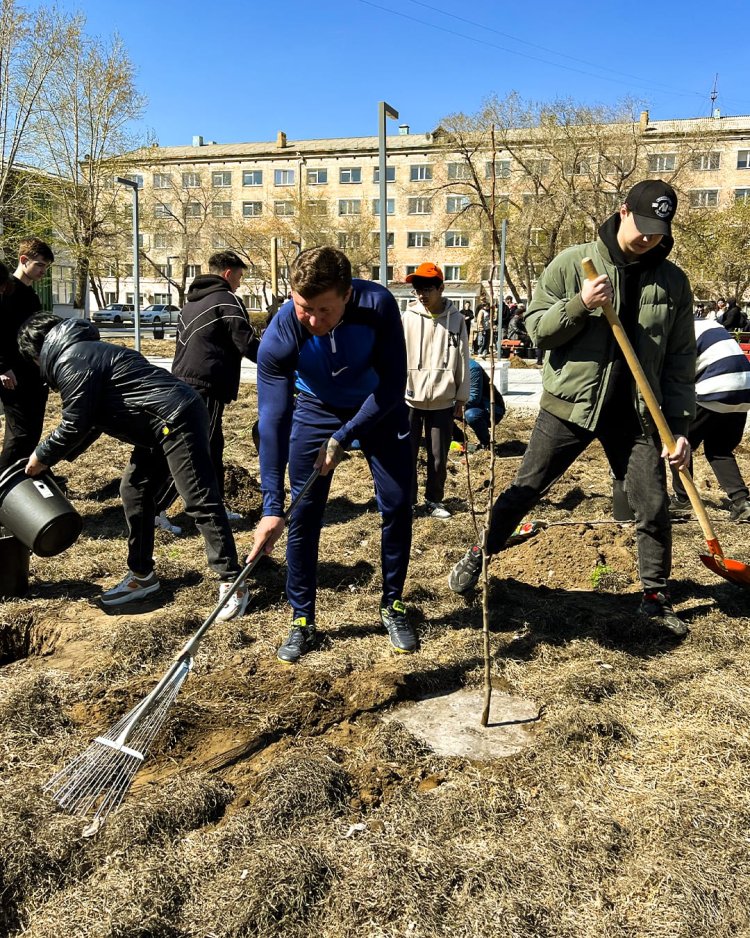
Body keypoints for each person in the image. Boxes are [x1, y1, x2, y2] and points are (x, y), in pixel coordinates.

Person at [448, 179, 696, 639]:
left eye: (657, 231)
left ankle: (654, 596)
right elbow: (537, 330)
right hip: (571, 405)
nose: (647, 238)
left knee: (653, 503)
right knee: (526, 488)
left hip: (640, 415)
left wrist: (679, 427)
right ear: (623, 211)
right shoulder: (574, 263)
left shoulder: (673, 282)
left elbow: (681, 361)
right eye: (642, 226)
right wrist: (581, 304)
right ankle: (479, 555)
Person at [18, 313, 248, 620]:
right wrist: (53, 457)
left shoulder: (72, 358)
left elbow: (75, 423)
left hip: (173, 417)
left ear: (37, 352)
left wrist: (41, 457)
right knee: (134, 490)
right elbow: (90, 423)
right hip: (158, 422)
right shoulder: (85, 351)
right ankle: (142, 576)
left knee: (198, 498)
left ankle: (233, 581)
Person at [248, 246, 415, 662]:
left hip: (376, 406)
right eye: (304, 307)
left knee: (397, 505)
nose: (313, 320)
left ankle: (392, 603)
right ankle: (302, 617)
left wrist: (344, 437)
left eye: (324, 310)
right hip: (315, 407)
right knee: (303, 513)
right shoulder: (282, 333)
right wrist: (272, 505)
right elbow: (272, 419)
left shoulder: (377, 304)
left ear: (347, 294)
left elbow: (393, 386)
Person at [155, 250, 259, 528]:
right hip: (207, 386)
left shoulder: (192, 303)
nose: (239, 282)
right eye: (238, 276)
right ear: (227, 273)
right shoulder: (226, 301)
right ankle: (155, 507)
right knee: (194, 449)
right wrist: (279, 363)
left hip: (183, 383)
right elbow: (247, 342)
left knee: (213, 448)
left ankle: (215, 507)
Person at [402, 262, 470, 519]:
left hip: (443, 399)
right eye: (418, 288)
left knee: (439, 457)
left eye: (428, 288)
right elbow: (398, 357)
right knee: (406, 456)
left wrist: (461, 397)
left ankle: (434, 500)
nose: (422, 294)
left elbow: (463, 356)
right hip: (410, 398)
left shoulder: (457, 320)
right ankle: (407, 501)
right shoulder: (407, 318)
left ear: (441, 288)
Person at [670, 318, 750, 522]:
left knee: (678, 445)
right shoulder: (710, 323)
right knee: (719, 449)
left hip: (715, 386)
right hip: (743, 389)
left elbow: (677, 374)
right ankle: (741, 502)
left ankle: (682, 499)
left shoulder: (680, 328)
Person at [0, 237, 54, 473]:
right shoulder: (6, 289)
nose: (43, 271)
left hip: (33, 375)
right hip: (12, 375)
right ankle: (4, 483)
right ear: (24, 260)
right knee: (19, 434)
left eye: (46, 267)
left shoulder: (31, 296)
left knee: (32, 433)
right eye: (40, 265)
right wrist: (1, 367)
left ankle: (25, 482)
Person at [454, 358, 506, 452]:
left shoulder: (472, 368)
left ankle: (486, 444)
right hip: (464, 405)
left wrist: (452, 404)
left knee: (471, 415)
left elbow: (474, 398)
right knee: (440, 410)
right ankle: (458, 437)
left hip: (490, 408)